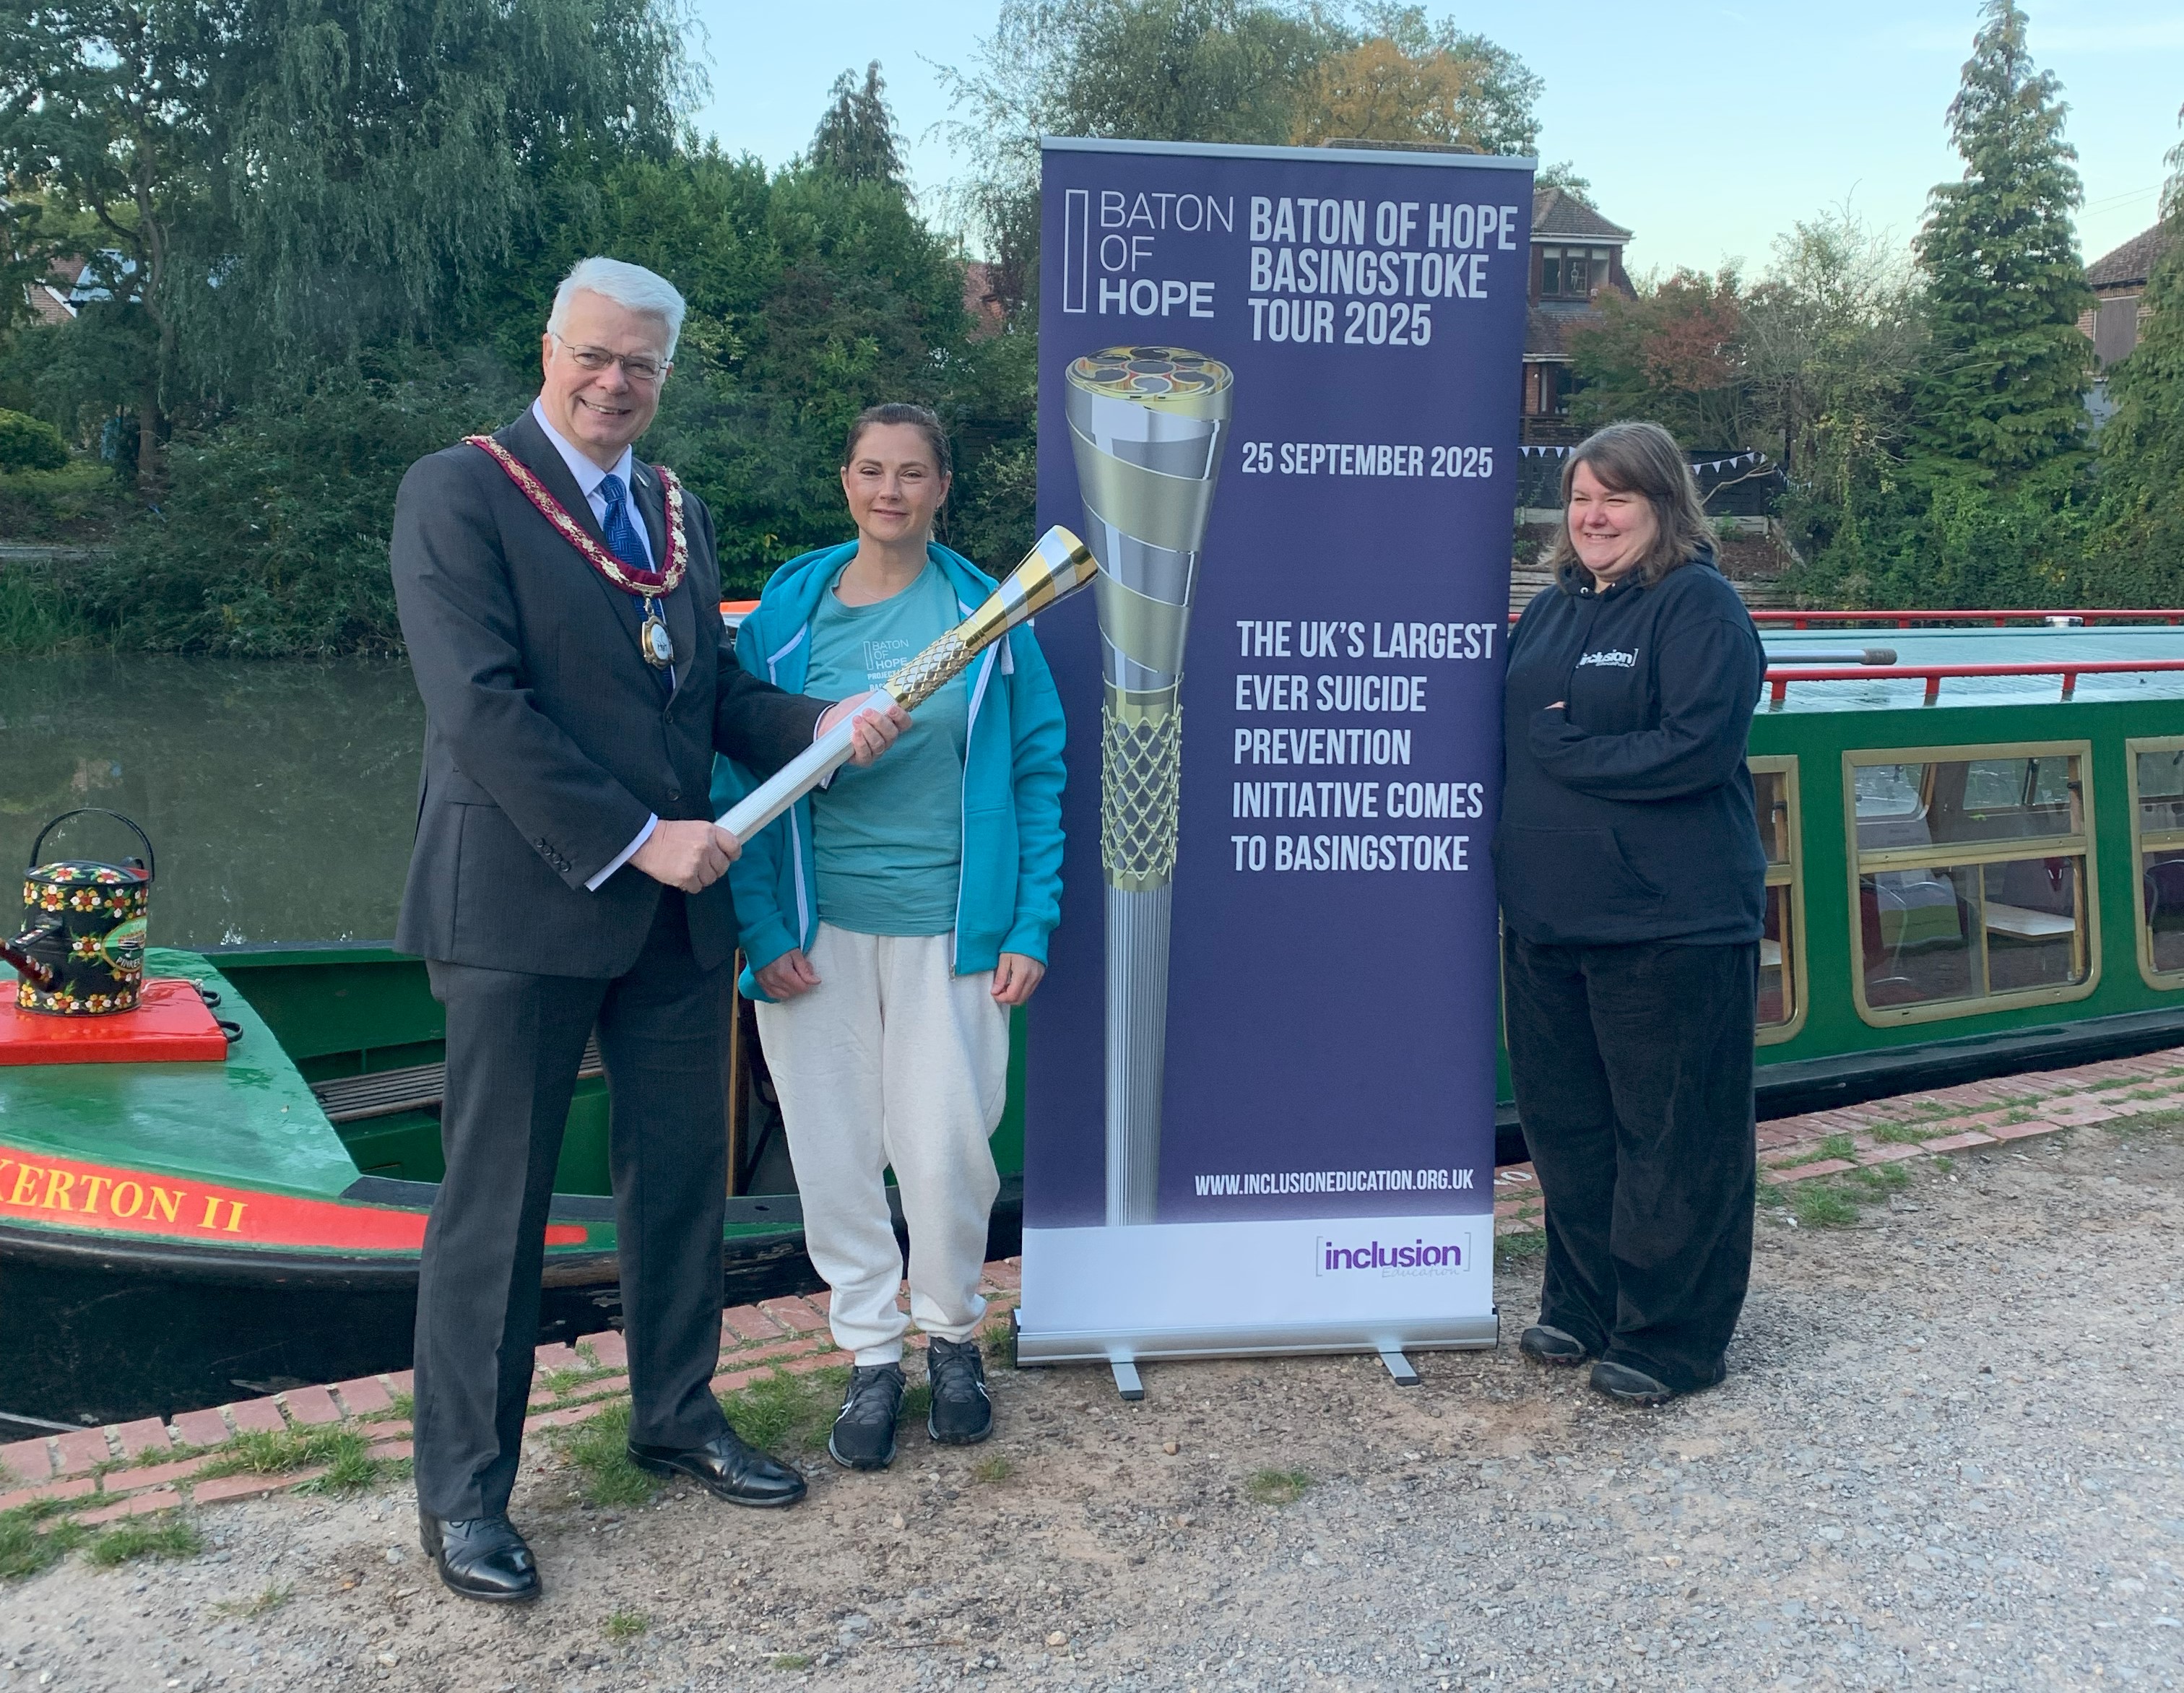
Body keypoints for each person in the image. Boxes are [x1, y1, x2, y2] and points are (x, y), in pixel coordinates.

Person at [390, 256, 908, 1603]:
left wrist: (822, 730)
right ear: (550, 346)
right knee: (491, 1212)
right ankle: (463, 1498)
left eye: (643, 366)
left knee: (679, 1187)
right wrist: (636, 837)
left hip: (676, 916)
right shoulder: (458, 493)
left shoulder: (675, 507)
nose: (616, 383)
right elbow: (482, 709)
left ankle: (675, 1416)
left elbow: (714, 690)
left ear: (665, 376)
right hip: (526, 905)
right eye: (596, 356)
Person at [716, 403, 1065, 1471]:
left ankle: (953, 1337)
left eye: (911, 473)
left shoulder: (991, 617)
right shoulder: (782, 621)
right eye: (871, 470)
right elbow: (738, 772)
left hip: (951, 932)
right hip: (818, 939)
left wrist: (1030, 921)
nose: (890, 491)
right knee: (833, 1158)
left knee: (948, 1153)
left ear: (941, 486)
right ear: (846, 479)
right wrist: (762, 927)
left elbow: (1038, 770)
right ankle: (872, 1354)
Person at [1493, 420, 1767, 1408]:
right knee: (1569, 1130)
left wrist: (1572, 754)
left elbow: (1697, 748)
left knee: (1674, 1137)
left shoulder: (1701, 607)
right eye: (1580, 498)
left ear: (1663, 507)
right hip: (1549, 925)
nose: (1594, 515)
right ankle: (1586, 1300)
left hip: (1670, 927)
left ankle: (1676, 1339)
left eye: (1617, 498)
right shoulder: (1553, 610)